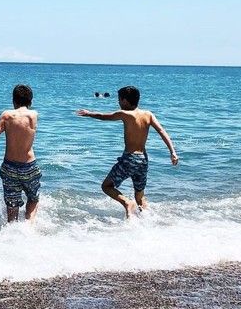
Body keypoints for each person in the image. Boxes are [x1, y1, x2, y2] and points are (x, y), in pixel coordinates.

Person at [77, 85, 179, 218]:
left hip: (130, 158)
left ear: (125, 101)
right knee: (140, 196)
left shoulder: (124, 114)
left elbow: (104, 116)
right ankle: (149, 220)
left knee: (106, 186)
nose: (118, 102)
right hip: (143, 159)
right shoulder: (148, 114)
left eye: (119, 100)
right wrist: (172, 152)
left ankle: (126, 203)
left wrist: (88, 113)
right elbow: (161, 131)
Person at [0, 84, 41, 222]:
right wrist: (5, 127)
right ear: (31, 101)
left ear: (13, 100)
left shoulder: (6, 115)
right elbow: (23, 128)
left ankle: (11, 234)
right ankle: (30, 227)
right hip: (29, 167)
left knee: (12, 205)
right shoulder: (33, 115)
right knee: (33, 199)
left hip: (9, 167)